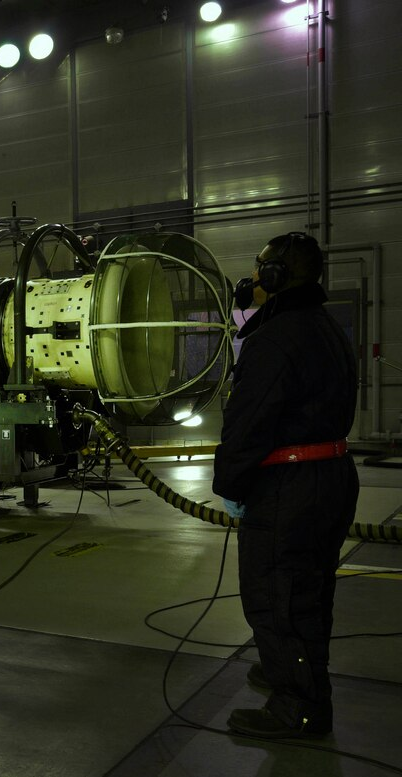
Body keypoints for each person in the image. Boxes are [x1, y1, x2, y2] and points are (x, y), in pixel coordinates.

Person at [212, 231, 358, 739]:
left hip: (289, 486)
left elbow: (247, 419)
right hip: (331, 477)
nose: (253, 276)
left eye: (261, 268)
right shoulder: (322, 326)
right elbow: (258, 347)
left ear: (274, 276)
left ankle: (298, 706)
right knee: (310, 591)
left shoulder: (276, 340)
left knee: (277, 595)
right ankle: (292, 671)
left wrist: (229, 481)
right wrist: (244, 314)